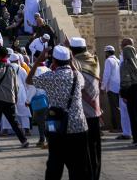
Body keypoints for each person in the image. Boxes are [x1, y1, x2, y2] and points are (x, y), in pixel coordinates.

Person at [28, 46, 91, 178]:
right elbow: (82, 84)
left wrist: (38, 59)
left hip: (57, 127)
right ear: (70, 60)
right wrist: (71, 61)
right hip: (78, 125)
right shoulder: (77, 76)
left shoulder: (50, 77)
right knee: (79, 166)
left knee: (55, 165)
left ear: (54, 61)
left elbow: (29, 80)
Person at [70, 37, 102, 180]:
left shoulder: (77, 63)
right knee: (95, 148)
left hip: (83, 113)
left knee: (85, 149)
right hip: (95, 110)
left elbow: (72, 67)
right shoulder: (94, 61)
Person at [0, 47, 29, 148]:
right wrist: (15, 97)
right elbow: (16, 85)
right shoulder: (11, 67)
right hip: (10, 98)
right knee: (14, 121)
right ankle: (23, 140)